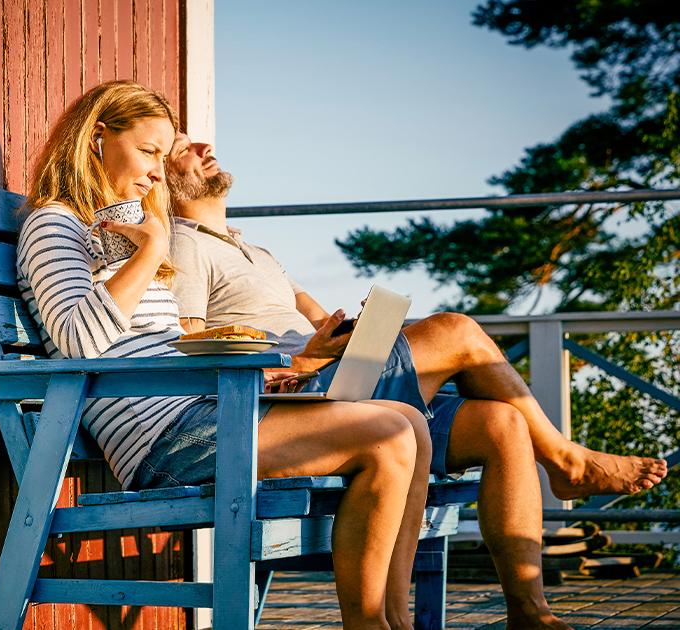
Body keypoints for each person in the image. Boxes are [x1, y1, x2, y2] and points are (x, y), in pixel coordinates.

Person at [165, 131, 671, 630]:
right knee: (456, 330)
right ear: (162, 175)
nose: (206, 149)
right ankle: (565, 460)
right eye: (182, 149)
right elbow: (190, 353)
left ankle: (528, 612)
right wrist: (298, 364)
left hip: (338, 379)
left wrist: (362, 330)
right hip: (297, 400)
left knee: (502, 424)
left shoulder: (257, 253)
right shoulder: (183, 244)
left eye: (201, 142)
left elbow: (322, 326)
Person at [16, 80, 431, 630]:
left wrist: (272, 374)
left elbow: (158, 345)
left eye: (162, 157)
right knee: (388, 434)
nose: (158, 172)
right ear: (97, 138)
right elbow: (77, 341)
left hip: (201, 410)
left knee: (408, 421)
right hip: (162, 440)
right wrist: (153, 251)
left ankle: (395, 622)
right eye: (148, 151)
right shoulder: (54, 223)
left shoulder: (119, 229)